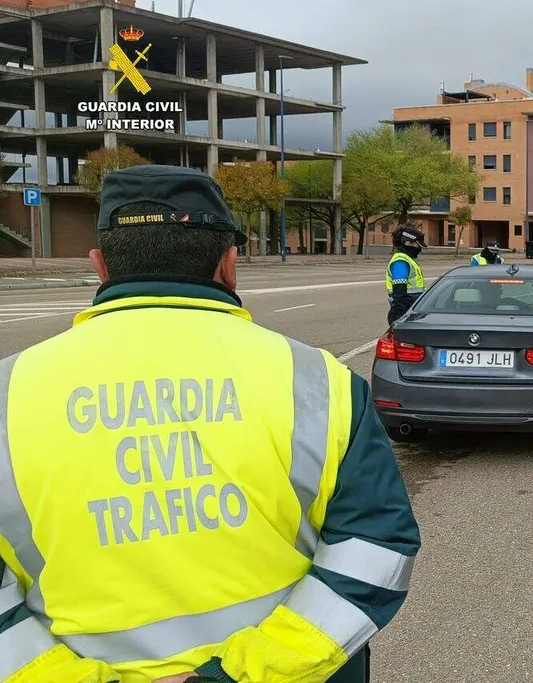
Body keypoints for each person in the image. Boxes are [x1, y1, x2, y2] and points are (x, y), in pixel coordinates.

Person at [0, 165, 420, 683]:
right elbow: (373, 551)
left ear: (100, 265)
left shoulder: (7, 393)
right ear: (229, 264)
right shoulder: (317, 381)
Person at [386, 226, 426, 326]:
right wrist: (401, 316)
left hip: (411, 310)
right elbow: (399, 291)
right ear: (407, 243)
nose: (419, 249)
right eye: (418, 245)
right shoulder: (401, 262)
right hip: (404, 311)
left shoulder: (407, 259)